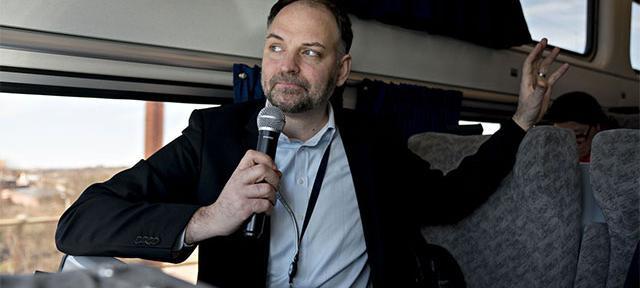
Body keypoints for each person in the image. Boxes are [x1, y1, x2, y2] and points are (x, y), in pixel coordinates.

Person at [55, 0, 569, 287]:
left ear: (341, 70)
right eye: (276, 47)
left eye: (311, 52)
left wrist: (521, 120)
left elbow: (452, 198)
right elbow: (78, 224)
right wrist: (210, 217)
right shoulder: (215, 135)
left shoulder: (374, 142)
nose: (287, 66)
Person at [543, 91, 615, 162]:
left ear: (597, 128)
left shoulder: (611, 159)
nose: (568, 145)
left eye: (576, 135)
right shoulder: (546, 153)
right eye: (560, 136)